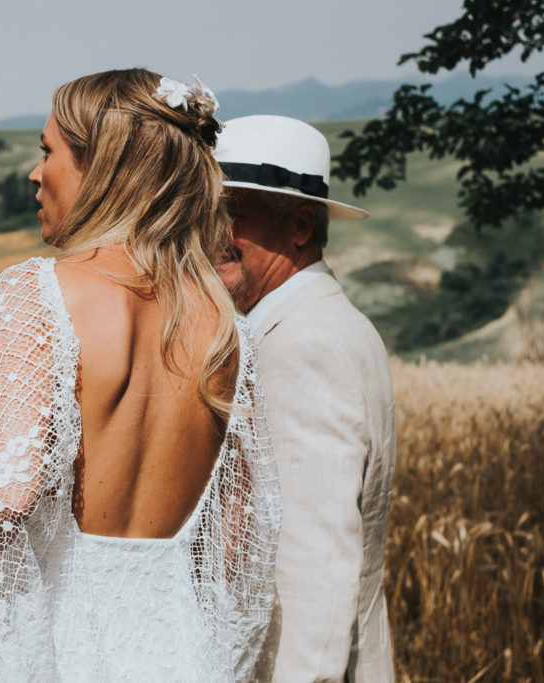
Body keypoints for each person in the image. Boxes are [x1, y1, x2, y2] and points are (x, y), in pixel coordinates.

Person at [0, 70, 281, 682]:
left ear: (103, 170)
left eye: (48, 151)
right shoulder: (227, 331)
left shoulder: (36, 293)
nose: (34, 172)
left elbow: (8, 493)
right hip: (171, 651)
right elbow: (236, 545)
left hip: (45, 648)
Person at [214, 115, 396, 682]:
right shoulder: (309, 326)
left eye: (232, 214)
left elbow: (315, 568)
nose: (209, 234)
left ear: (299, 225)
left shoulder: (306, 345)